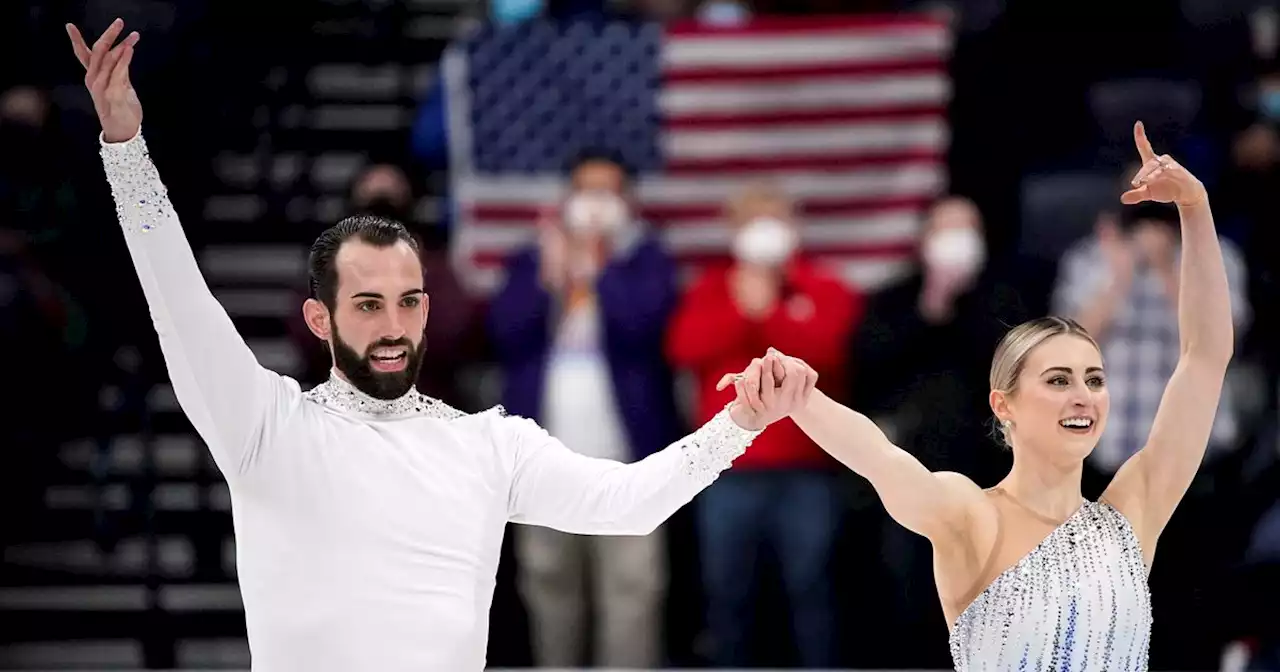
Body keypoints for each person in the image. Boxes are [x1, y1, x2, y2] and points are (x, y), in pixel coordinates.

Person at [67, 19, 815, 671]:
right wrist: (126, 147)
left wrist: (736, 426)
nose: (393, 326)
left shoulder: (488, 446)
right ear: (320, 320)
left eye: (408, 301)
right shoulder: (265, 427)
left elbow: (629, 503)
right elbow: (179, 302)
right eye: (366, 305)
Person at [728, 121, 1235, 671]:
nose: (1083, 396)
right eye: (1058, 380)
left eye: (1094, 379)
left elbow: (1205, 358)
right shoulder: (969, 513)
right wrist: (801, 398)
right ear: (1005, 405)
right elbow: (875, 454)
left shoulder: (1134, 512)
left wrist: (1195, 209)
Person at [488, 149, 681, 668]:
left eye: (608, 191)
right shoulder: (532, 261)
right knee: (551, 590)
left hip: (628, 464)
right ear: (567, 198)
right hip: (544, 466)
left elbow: (646, 329)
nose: (595, 204)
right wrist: (548, 279)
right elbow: (504, 333)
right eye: (585, 191)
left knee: (632, 594)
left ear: (627, 201)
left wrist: (601, 270)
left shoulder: (647, 261)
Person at [665, 182, 860, 667]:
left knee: (812, 590)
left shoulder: (825, 286)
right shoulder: (710, 288)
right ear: (733, 231)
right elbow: (684, 348)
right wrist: (741, 310)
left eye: (774, 219)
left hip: (807, 468)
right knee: (727, 595)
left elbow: (831, 352)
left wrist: (768, 309)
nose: (764, 232)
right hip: (727, 469)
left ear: (794, 228)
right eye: (753, 221)